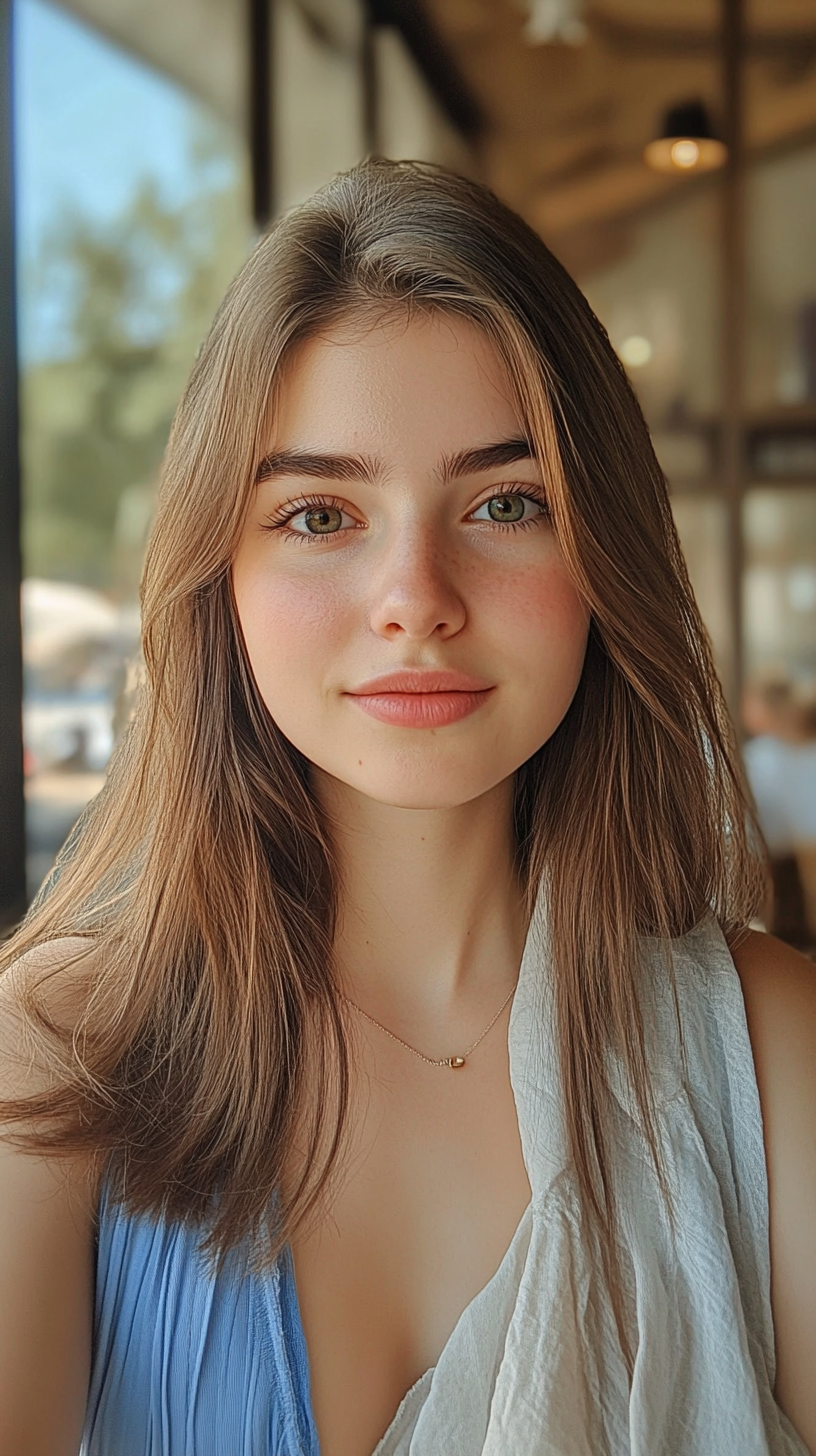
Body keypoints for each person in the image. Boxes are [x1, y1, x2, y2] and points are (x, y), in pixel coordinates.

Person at [1, 159, 814, 1456]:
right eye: (321, 513)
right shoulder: (56, 1059)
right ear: (224, 570)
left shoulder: (769, 1055)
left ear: (604, 553)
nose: (414, 596)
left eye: (505, 502)